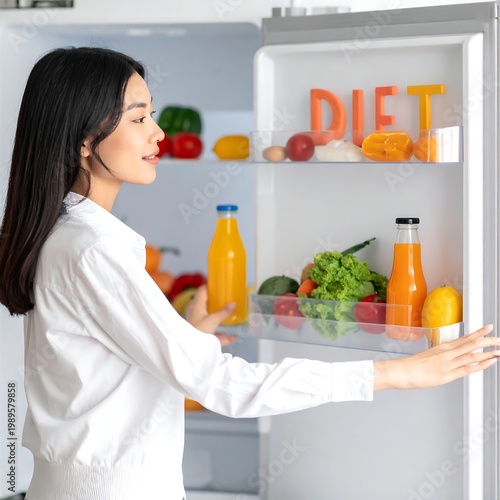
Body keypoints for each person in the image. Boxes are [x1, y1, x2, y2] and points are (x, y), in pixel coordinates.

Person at [0, 47, 498, 500]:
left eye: (152, 113)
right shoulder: (92, 250)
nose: (159, 133)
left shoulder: (63, 235)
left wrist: (183, 338)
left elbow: (93, 371)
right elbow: (224, 387)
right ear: (85, 140)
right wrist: (396, 372)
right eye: (138, 118)